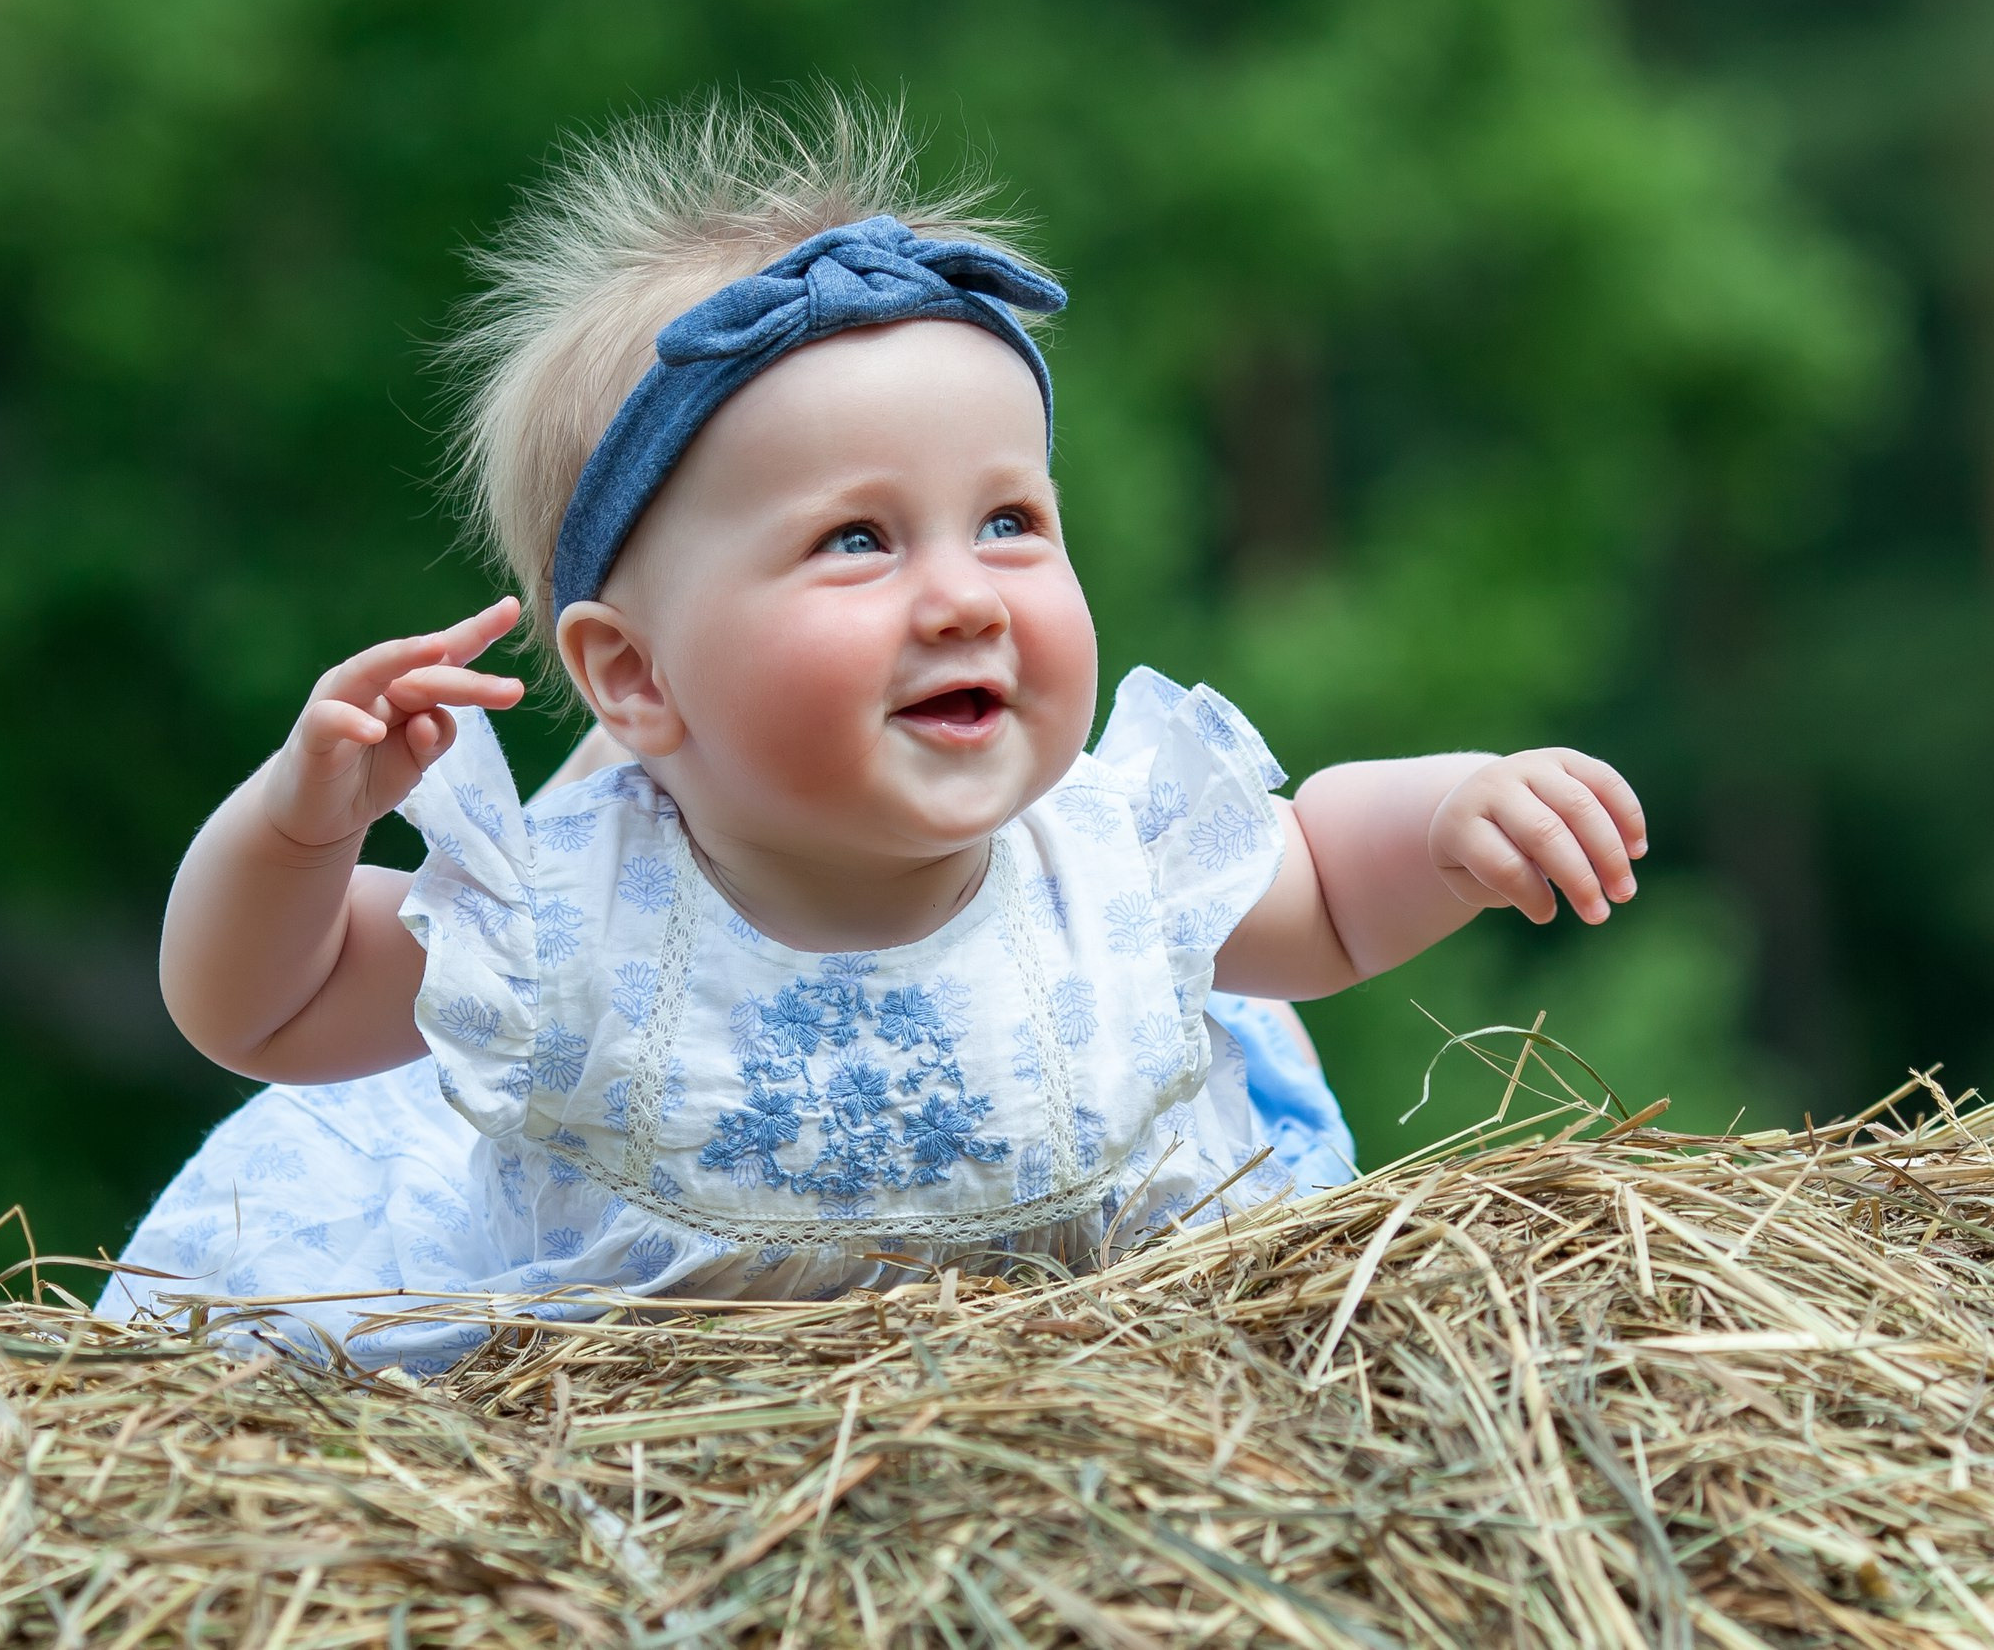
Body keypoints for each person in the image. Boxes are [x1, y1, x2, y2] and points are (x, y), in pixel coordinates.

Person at [99, 100, 1644, 1372]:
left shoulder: (1102, 863)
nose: (964, 595)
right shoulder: (569, 925)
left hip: (1112, 1429)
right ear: (634, 678)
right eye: (857, 541)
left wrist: (1455, 818)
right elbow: (265, 1009)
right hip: (649, 1465)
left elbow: (1317, 882)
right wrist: (304, 824)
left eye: (1010, 520)